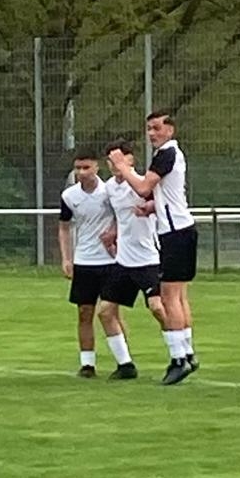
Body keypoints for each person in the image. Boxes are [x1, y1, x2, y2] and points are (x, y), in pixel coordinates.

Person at [107, 110, 197, 384]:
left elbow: (144, 187)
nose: (151, 133)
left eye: (157, 128)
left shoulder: (166, 154)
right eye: (149, 128)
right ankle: (188, 353)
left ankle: (179, 359)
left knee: (169, 299)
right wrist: (152, 207)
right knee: (178, 297)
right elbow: (167, 196)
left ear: (170, 130)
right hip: (180, 229)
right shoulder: (171, 155)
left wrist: (123, 167)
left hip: (175, 233)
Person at [58, 150, 134, 378]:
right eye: (78, 168)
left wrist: (114, 233)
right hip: (84, 261)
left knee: (111, 312)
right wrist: (66, 258)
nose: (82, 173)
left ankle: (125, 361)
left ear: (96, 168)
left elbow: (124, 216)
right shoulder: (69, 196)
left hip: (111, 261)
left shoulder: (108, 192)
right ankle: (87, 365)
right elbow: (64, 227)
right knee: (84, 312)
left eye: (86, 168)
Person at [96, 142, 169, 381]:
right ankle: (125, 365)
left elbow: (163, 203)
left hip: (149, 258)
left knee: (158, 308)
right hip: (124, 260)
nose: (114, 164)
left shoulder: (141, 183)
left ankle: (180, 354)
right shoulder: (109, 187)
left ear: (130, 160)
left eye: (119, 159)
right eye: (111, 160)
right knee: (105, 311)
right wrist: (113, 232)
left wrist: (150, 208)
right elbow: (120, 216)